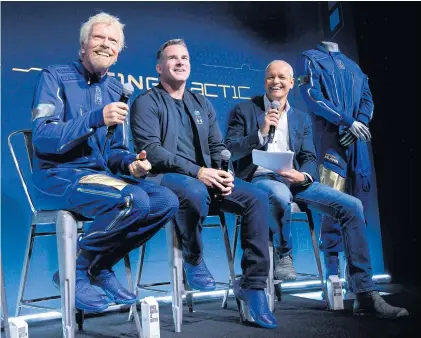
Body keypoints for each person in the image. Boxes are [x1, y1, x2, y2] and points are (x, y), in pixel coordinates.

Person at [225, 60, 409, 319]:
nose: (275, 82)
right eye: (270, 77)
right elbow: (230, 150)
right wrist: (260, 131)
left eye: (281, 77)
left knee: (352, 206)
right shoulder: (243, 110)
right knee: (278, 194)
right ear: (264, 81)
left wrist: (303, 174)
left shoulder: (300, 117)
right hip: (260, 179)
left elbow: (309, 157)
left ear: (291, 82)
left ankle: (364, 293)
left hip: (296, 181)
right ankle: (284, 253)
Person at [31, 12, 178, 312]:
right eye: (99, 37)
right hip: (58, 175)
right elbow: (43, 136)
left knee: (165, 200)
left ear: (118, 53)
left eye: (113, 41)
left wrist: (130, 165)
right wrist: (96, 117)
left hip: (100, 177)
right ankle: (77, 271)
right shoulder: (55, 76)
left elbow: (115, 150)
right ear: (83, 45)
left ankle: (99, 265)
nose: (106, 44)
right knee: (133, 199)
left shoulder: (116, 89)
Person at [130, 39, 277, 328]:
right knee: (195, 191)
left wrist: (223, 172)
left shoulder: (201, 102)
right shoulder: (146, 101)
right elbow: (152, 149)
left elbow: (218, 145)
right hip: (164, 179)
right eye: (173, 58)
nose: (180, 62)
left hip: (203, 177)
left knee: (256, 198)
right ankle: (193, 258)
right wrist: (198, 171)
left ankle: (252, 285)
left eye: (184, 57)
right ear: (160, 67)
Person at [297, 41, 374, 280]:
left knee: (358, 211)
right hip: (330, 142)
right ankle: (333, 278)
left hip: (357, 144)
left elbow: (367, 100)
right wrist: (347, 121)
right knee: (332, 209)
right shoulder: (310, 58)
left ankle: (359, 280)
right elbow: (312, 96)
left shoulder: (354, 67)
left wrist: (357, 124)